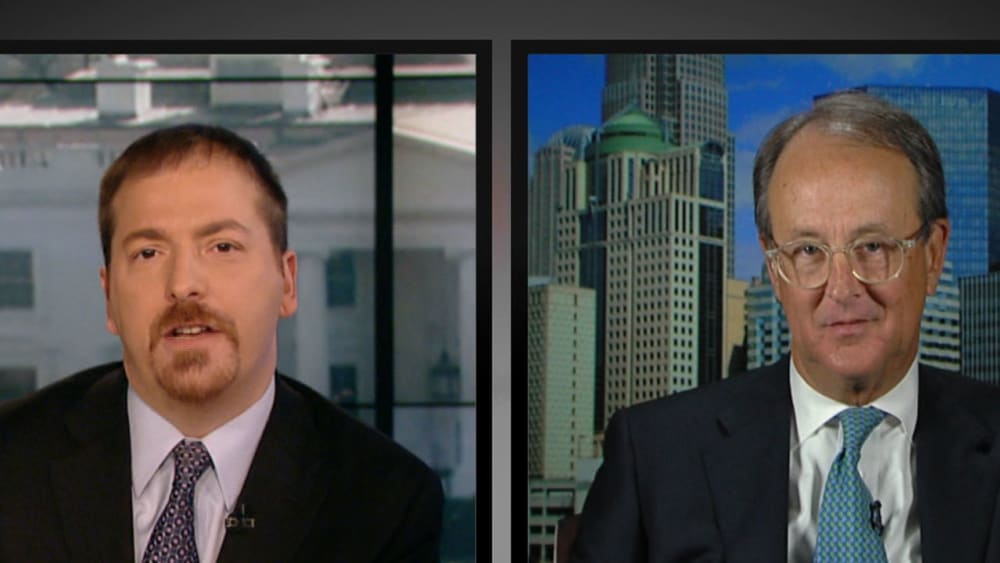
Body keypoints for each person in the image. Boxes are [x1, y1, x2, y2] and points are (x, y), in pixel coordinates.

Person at [569, 91, 1000, 562]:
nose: (842, 288)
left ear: (933, 255)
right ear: (775, 270)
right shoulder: (654, 453)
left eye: (874, 247)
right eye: (808, 251)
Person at [0, 124, 443, 562]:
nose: (183, 284)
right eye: (148, 253)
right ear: (109, 297)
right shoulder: (10, 461)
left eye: (223, 247)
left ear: (287, 282)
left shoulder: (385, 502)